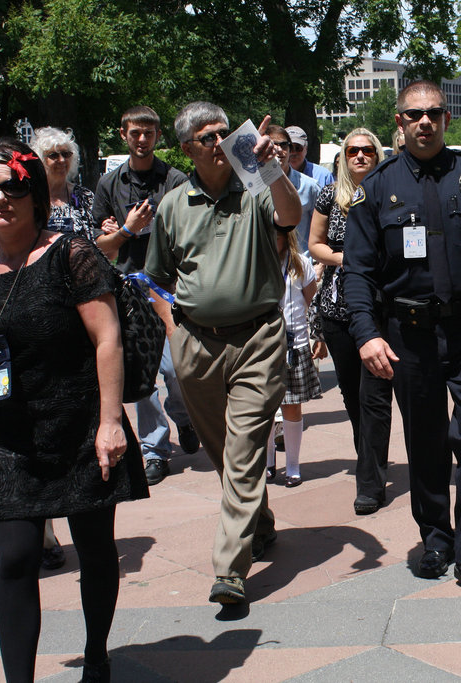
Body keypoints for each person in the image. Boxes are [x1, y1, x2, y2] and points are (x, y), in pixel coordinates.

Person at [343, 81, 461, 602]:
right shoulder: (376, 188)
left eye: (434, 113)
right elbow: (358, 273)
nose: (425, 122)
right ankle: (435, 537)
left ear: (446, 120)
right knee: (425, 442)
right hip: (408, 336)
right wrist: (365, 334)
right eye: (414, 115)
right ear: (400, 123)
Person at [0, 139, 147, 681]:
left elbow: (107, 338)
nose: (0, 197)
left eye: (14, 185)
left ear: (36, 192)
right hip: (13, 439)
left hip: (82, 427)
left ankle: (96, 654)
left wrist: (111, 422)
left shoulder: (73, 255)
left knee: (94, 553)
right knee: (17, 561)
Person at [145, 102, 302, 605]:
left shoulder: (256, 187)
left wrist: (269, 166)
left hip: (257, 339)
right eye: (207, 138)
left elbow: (291, 214)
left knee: (243, 447)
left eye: (223, 134)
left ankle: (230, 569)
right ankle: (260, 516)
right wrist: (174, 330)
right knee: (223, 450)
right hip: (195, 344)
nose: (219, 144)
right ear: (188, 148)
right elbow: (157, 280)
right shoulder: (173, 205)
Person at [93, 106, 198, 486]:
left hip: (168, 290)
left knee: (176, 370)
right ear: (123, 135)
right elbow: (102, 248)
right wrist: (125, 230)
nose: (142, 139)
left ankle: (184, 418)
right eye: (135, 133)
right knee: (141, 376)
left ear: (157, 137)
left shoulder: (174, 179)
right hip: (126, 293)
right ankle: (155, 450)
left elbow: (188, 232)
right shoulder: (108, 185)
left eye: (149, 133)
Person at [308, 129, 393, 515]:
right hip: (337, 306)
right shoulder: (330, 195)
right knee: (351, 394)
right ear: (343, 157)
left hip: (379, 309)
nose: (360, 156)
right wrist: (347, 260)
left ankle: (370, 483)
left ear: (378, 155)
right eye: (352, 151)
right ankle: (369, 460)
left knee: (374, 395)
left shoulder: (390, 192)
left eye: (367, 150)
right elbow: (314, 244)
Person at [267, 229, 324, 488]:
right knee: (262, 409)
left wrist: (318, 336)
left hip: (295, 345)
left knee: (291, 407)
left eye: (277, 235)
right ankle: (267, 463)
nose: (272, 239)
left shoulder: (299, 263)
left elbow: (312, 301)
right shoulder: (256, 260)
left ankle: (293, 465)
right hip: (263, 347)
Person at [31, 127, 96, 241]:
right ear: (40, 159)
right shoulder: (31, 198)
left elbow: (97, 240)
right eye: (53, 155)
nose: (62, 160)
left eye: (66, 154)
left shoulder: (85, 196)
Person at [267, 124, 321, 251]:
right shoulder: (254, 187)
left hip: (302, 263)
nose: (278, 149)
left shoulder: (310, 186)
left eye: (283, 145)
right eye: (272, 145)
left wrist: (319, 265)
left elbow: (323, 230)